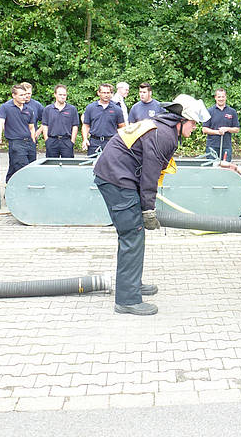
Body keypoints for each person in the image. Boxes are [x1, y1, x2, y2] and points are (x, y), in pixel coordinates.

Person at [93, 94, 211, 316]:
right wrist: (148, 209)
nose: (195, 128)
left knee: (134, 234)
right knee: (132, 234)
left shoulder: (160, 126)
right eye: (193, 123)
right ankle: (127, 300)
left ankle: (133, 284)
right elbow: (150, 173)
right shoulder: (164, 135)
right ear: (181, 120)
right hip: (116, 179)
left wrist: (145, 205)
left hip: (117, 175)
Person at [0, 84, 36, 182]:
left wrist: (33, 140)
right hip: (16, 142)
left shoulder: (29, 109)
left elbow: (31, 127)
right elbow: (0, 123)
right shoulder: (5, 107)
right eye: (21, 95)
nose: (24, 97)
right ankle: (23, 189)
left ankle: (9, 187)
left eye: (25, 95)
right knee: (23, 168)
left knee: (22, 167)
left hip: (29, 143)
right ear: (14, 95)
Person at [81, 83, 125, 155]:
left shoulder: (117, 109)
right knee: (92, 162)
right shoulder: (90, 108)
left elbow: (122, 127)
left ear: (111, 94)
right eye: (104, 92)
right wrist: (85, 139)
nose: (106, 95)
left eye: (108, 93)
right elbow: (86, 126)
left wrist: (120, 142)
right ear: (98, 93)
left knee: (110, 162)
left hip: (110, 142)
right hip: (94, 143)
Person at [42, 84, 79, 158]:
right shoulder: (48, 109)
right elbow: (45, 125)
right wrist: (47, 140)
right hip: (52, 141)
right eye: (60, 94)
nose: (62, 97)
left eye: (64, 95)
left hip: (66, 141)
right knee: (51, 164)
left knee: (67, 164)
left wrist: (72, 141)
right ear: (55, 94)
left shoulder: (72, 109)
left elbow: (75, 126)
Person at [202, 88, 239, 161]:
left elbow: (237, 129)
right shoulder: (209, 111)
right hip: (212, 146)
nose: (221, 99)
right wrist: (217, 132)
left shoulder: (232, 111)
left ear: (226, 97)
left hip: (226, 146)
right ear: (215, 98)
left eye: (223, 96)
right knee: (212, 167)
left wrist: (227, 129)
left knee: (226, 167)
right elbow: (204, 129)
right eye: (219, 97)